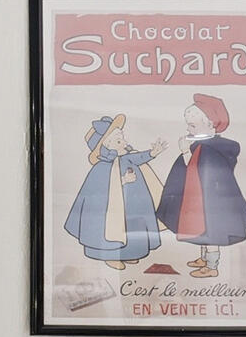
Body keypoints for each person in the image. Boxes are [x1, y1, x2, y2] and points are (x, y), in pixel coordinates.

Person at [156, 93, 246, 277]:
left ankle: (211, 267)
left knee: (211, 233)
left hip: (211, 203)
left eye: (192, 125)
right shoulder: (202, 145)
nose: (188, 128)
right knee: (201, 229)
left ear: (211, 124)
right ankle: (204, 258)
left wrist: (185, 151)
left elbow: (199, 171)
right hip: (199, 199)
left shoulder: (211, 149)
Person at [60, 114, 169, 269]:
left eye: (123, 138)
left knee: (131, 226)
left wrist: (152, 153)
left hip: (131, 205)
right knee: (113, 228)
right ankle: (110, 256)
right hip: (112, 211)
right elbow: (102, 191)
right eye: (119, 140)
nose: (124, 142)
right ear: (106, 145)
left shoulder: (126, 158)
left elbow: (138, 158)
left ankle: (130, 253)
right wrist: (123, 181)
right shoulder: (101, 167)